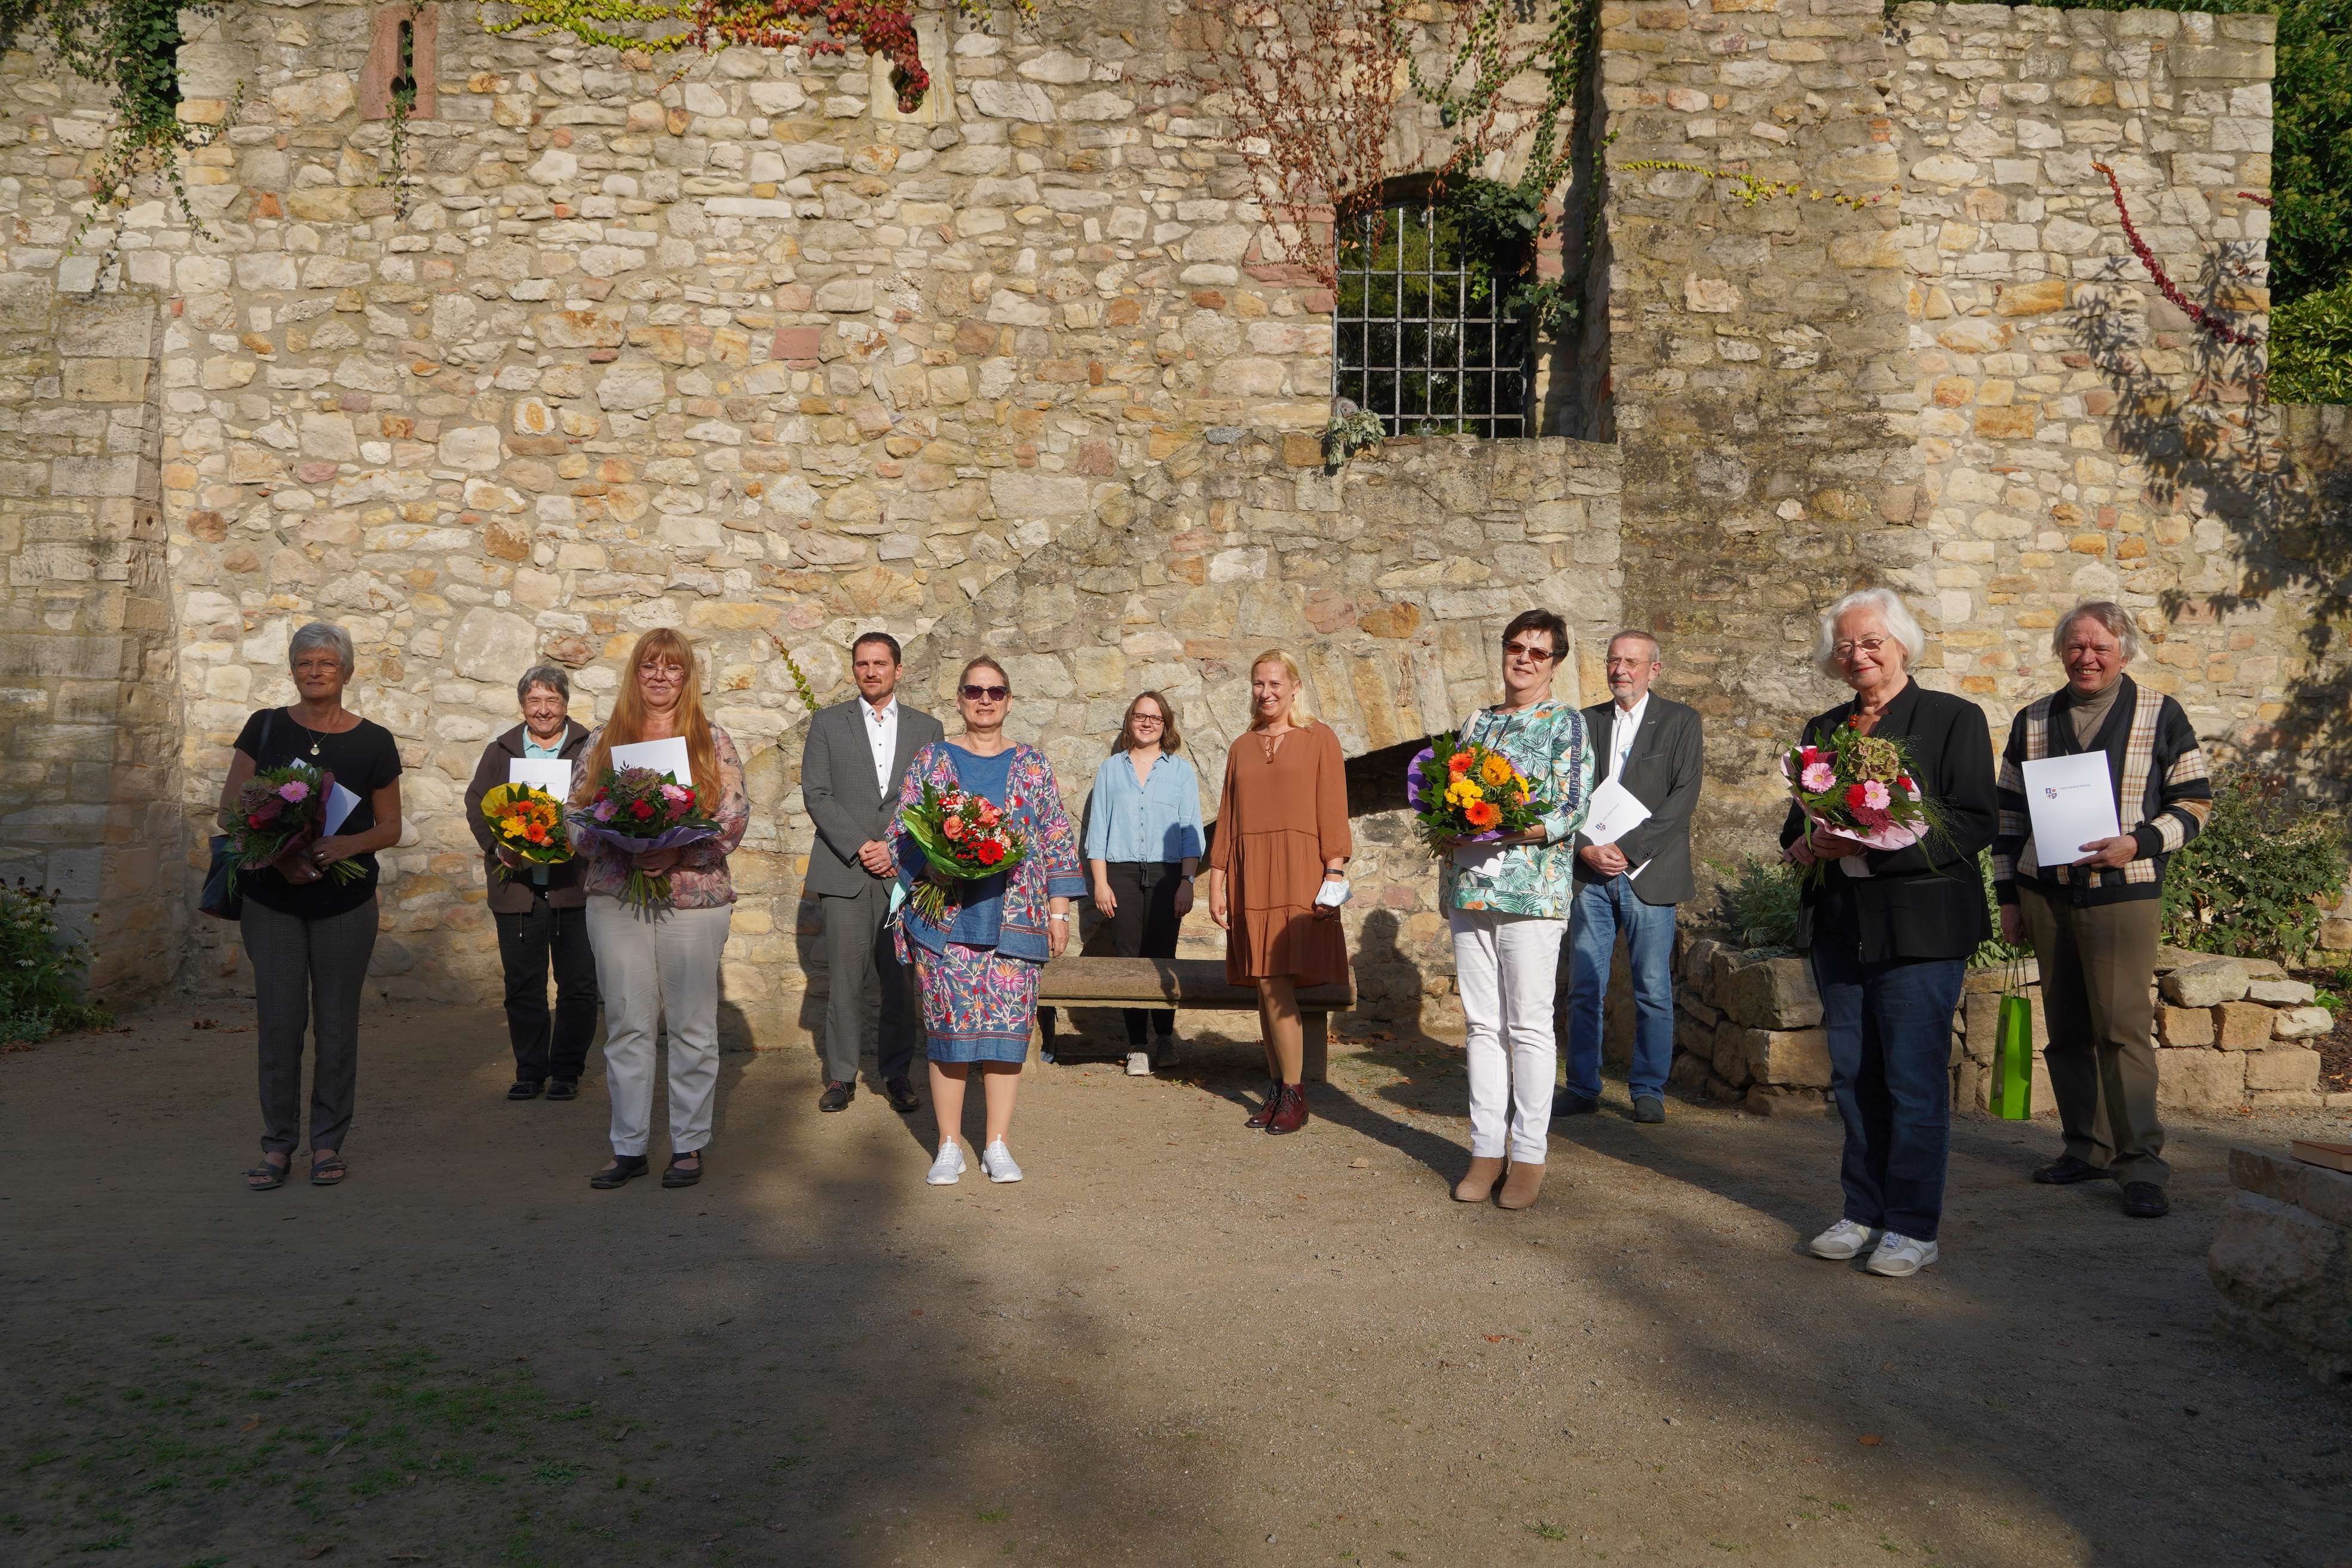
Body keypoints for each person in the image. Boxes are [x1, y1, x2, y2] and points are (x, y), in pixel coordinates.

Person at [1782, 587, 1995, 1279]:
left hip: (1921, 928)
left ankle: (1911, 1225)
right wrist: (1810, 841)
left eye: (1871, 640)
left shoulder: (1952, 718)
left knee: (1912, 1079)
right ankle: (1861, 1210)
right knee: (1852, 1076)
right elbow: (1796, 819)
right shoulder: (1825, 725)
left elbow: (1973, 821)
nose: (1858, 654)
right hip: (1843, 926)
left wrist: (1873, 845)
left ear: (1901, 643)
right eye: (1845, 644)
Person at [1993, 601, 2212, 1221]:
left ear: (2124, 652)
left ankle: (2141, 1166)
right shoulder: (2033, 719)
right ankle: (2084, 1147)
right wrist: (2009, 897)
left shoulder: (2160, 713)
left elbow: (2196, 803)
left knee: (2121, 1029)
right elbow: (2010, 816)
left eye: (2100, 647)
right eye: (2075, 646)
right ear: (2061, 651)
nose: (2086, 657)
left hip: (2123, 892)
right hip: (2045, 892)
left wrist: (2136, 842)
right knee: (2066, 1031)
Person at [219, 621, 403, 1192]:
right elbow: (231, 813)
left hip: (345, 903)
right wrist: (278, 856)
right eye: (305, 663)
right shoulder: (265, 727)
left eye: (326, 662)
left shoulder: (374, 741)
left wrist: (347, 844)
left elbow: (392, 826)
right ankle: (277, 1146)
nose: (315, 671)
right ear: (292, 671)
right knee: (279, 1022)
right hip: (272, 900)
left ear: (347, 671)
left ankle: (327, 1144)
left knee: (337, 1024)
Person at [893, 657, 1085, 1185]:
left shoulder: (1033, 765)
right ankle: (949, 1145)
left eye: (995, 691)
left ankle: (997, 1143)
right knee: (950, 1035)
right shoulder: (931, 761)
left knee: (1008, 1035)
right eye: (974, 691)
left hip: (1016, 921)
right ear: (958, 698)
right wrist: (932, 860)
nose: (985, 700)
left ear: (1008, 700)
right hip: (946, 923)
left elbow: (1055, 838)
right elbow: (901, 831)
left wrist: (1059, 911)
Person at [575, 629, 749, 1192]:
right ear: (635, 674)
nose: (659, 677)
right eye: (649, 666)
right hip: (617, 897)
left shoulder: (711, 740)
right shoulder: (604, 740)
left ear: (686, 677)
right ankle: (628, 1147)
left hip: (693, 899)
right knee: (627, 1024)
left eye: (672, 669)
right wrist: (619, 837)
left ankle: (688, 1144)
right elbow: (573, 816)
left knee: (693, 1026)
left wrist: (679, 848)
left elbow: (733, 817)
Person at [1440, 611, 1592, 1211]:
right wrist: (1448, 824)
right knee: (1481, 1024)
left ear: (1555, 662)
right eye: (1516, 647)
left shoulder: (1565, 723)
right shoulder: (1478, 720)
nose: (1524, 659)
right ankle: (1485, 1148)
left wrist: (1516, 826)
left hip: (1531, 891)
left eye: (1538, 651)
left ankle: (1528, 1153)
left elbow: (1573, 807)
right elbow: (1452, 789)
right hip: (1472, 889)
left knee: (1527, 1025)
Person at [1560, 629, 1706, 1125]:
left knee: (1652, 988)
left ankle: (1648, 1089)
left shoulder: (1682, 722)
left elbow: (1683, 799)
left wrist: (1626, 850)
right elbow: (1564, 798)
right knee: (1584, 987)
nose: (1620, 670)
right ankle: (1582, 1087)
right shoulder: (1584, 723)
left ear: (1654, 670)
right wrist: (1587, 849)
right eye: (1613, 661)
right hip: (1591, 876)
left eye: (1631, 662)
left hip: (1651, 872)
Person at [1205, 650, 1351, 1137]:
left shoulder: (1319, 739)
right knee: (1265, 985)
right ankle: (1278, 1087)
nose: (1265, 692)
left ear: (1293, 687)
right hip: (1250, 871)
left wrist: (1334, 871)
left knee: (1277, 982)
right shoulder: (1242, 746)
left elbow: (1332, 806)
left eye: (1274, 683)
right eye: (1257, 684)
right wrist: (1217, 877)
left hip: (1298, 867)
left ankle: (1294, 1093)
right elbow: (1228, 817)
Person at [801, 630, 943, 1115]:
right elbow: (817, 793)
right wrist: (863, 845)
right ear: (854, 669)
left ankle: (897, 1073)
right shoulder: (827, 723)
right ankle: (841, 1077)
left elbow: (932, 801)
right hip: (845, 869)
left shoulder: (929, 728)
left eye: (880, 663)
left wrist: (895, 849)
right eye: (862, 664)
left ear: (898, 670)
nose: (871, 671)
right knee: (843, 978)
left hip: (903, 872)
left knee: (900, 979)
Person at [464, 665, 596, 1102]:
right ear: (523, 705)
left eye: (552, 701)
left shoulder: (589, 747)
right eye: (535, 701)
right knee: (523, 984)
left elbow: (602, 801)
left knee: (578, 985)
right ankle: (530, 1071)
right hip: (517, 888)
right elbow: (478, 804)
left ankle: (566, 1072)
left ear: (565, 705)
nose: (543, 710)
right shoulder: (499, 751)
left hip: (574, 887)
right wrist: (496, 846)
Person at [1084, 691, 1205, 1077]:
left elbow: (1191, 832)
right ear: (1130, 721)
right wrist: (1100, 884)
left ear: (1166, 725)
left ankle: (1165, 1038)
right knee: (1128, 956)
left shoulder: (1181, 771)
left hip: (1168, 873)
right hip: (1119, 872)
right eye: (1140, 716)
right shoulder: (1110, 770)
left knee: (1162, 956)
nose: (1147, 722)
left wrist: (1187, 881)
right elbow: (1098, 830)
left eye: (1155, 717)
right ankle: (1137, 1044)